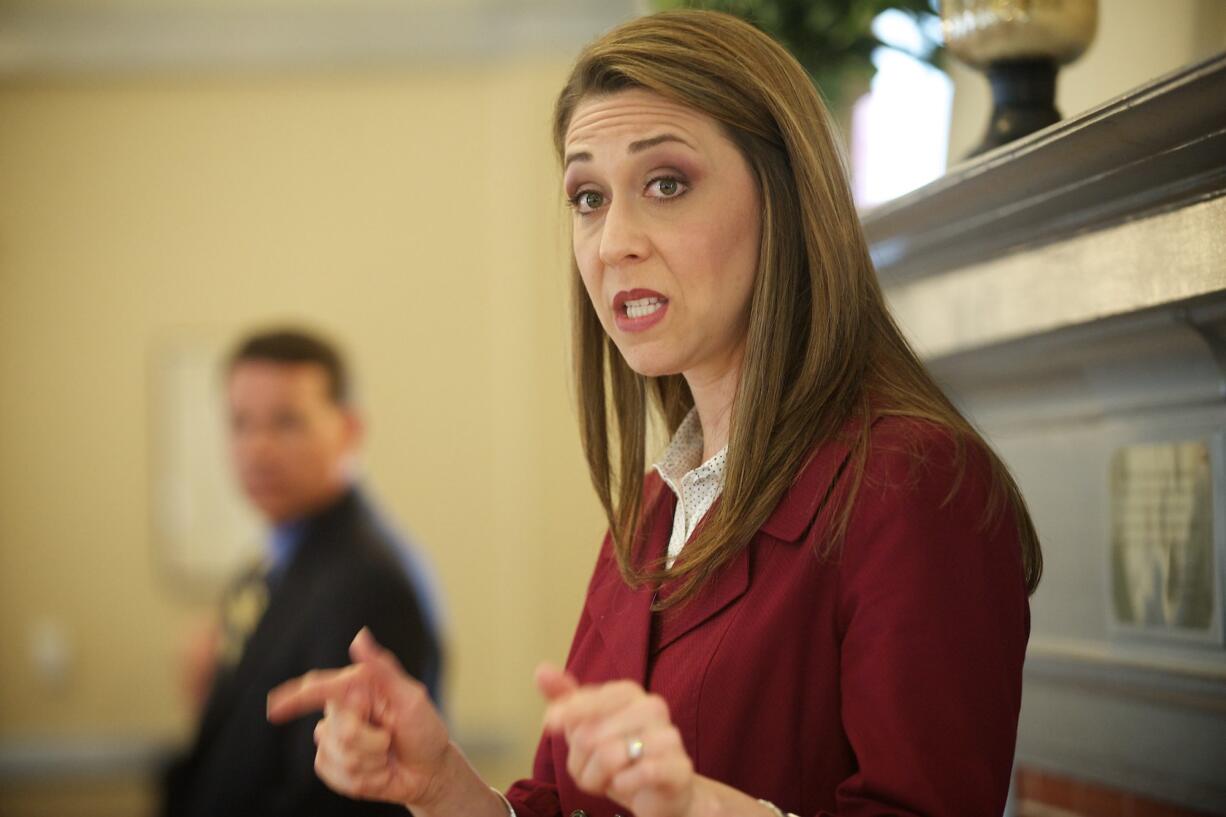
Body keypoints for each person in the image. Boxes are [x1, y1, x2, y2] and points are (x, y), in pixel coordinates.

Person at [266, 10, 1042, 817]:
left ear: (787, 198)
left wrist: (696, 807)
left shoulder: (913, 482)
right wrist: (439, 786)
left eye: (665, 184)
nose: (612, 242)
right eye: (588, 197)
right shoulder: (654, 512)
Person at [162, 328, 444, 817]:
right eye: (240, 423)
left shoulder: (365, 580)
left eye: (287, 422)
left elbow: (334, 798)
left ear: (350, 429)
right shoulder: (270, 561)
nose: (258, 449)